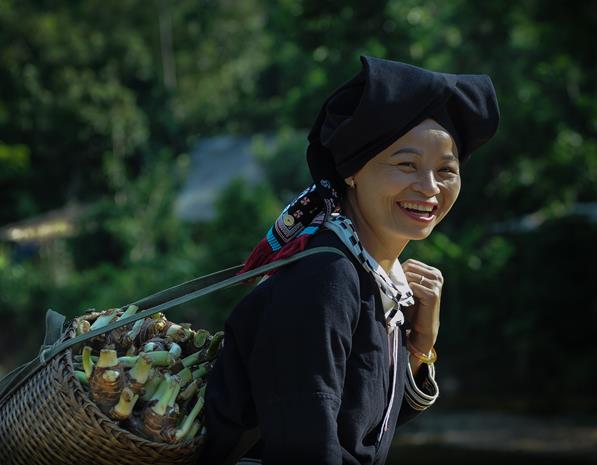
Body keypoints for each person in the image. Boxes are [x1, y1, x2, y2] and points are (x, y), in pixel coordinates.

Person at [200, 55, 500, 465]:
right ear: (353, 171)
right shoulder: (326, 279)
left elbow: (366, 424)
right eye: (406, 164)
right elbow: (305, 444)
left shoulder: (373, 277)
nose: (429, 187)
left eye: (446, 170)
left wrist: (421, 346)